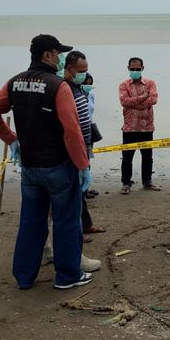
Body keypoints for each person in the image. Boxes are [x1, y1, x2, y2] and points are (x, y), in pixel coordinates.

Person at [0, 34, 93, 290]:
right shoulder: (58, 85)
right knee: (66, 221)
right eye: (58, 53)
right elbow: (72, 130)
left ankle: (24, 276)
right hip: (58, 167)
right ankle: (68, 276)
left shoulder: (15, 82)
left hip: (30, 167)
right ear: (47, 55)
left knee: (31, 222)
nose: (61, 57)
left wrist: (11, 140)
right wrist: (82, 165)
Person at [62, 52, 106, 258]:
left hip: (84, 147)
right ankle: (77, 232)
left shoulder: (77, 88)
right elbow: (71, 129)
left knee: (80, 192)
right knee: (73, 195)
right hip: (74, 151)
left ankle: (85, 225)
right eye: (81, 71)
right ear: (69, 69)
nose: (84, 74)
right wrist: (81, 162)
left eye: (86, 70)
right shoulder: (64, 89)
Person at [118, 57, 160, 194]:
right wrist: (143, 98)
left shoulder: (150, 83)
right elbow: (124, 102)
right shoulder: (124, 85)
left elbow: (153, 100)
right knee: (127, 158)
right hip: (130, 127)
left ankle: (147, 182)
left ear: (142, 68)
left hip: (146, 127)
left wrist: (135, 102)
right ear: (128, 68)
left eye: (137, 69)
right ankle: (126, 183)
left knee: (147, 157)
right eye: (132, 69)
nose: (134, 71)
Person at [81, 73, 99, 199]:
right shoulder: (75, 95)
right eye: (85, 83)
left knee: (87, 159)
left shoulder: (91, 95)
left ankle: (85, 188)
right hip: (79, 131)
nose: (88, 86)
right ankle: (80, 188)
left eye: (90, 84)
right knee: (79, 159)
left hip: (89, 131)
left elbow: (91, 112)